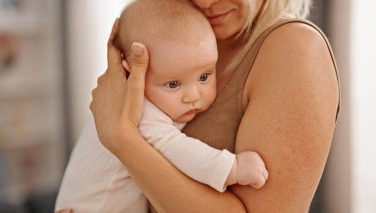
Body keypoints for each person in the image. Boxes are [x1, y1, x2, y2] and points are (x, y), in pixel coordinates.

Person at [88, 0, 340, 212]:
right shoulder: (176, 30)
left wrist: (120, 137)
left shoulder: (296, 49)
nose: (206, 2)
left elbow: (123, 130)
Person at [55, 0, 268, 212]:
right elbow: (181, 151)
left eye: (204, 76)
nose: (193, 96)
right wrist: (233, 168)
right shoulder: (139, 110)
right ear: (132, 74)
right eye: (173, 84)